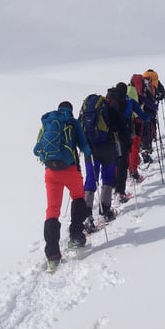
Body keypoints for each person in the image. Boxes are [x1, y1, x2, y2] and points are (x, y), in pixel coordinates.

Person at [33, 101, 91, 270]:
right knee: (78, 198)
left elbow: (36, 150)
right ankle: (76, 236)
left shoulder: (48, 123)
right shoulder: (72, 122)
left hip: (51, 173)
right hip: (70, 170)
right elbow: (85, 148)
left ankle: (52, 254)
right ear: (70, 111)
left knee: (52, 210)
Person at [81, 96, 118, 231]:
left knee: (91, 179)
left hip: (90, 149)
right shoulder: (108, 108)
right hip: (107, 147)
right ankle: (106, 210)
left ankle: (87, 216)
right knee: (107, 178)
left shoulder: (84, 111)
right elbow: (116, 126)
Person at [108, 82, 150, 198]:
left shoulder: (109, 100)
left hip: (110, 134)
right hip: (123, 134)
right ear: (126, 91)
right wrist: (149, 116)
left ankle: (113, 184)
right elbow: (142, 116)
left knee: (114, 160)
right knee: (123, 162)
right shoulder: (130, 102)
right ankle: (120, 192)